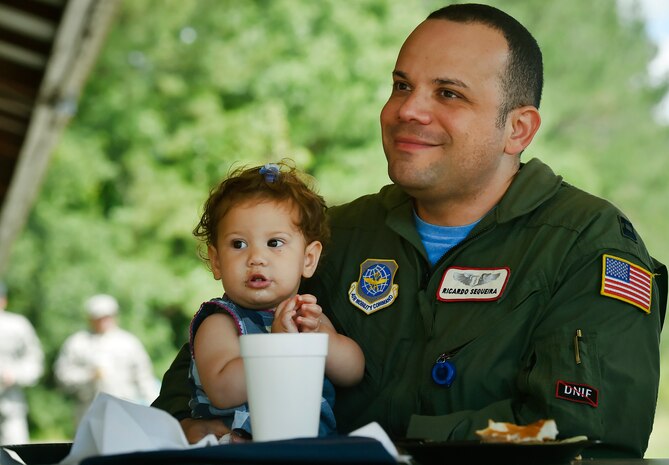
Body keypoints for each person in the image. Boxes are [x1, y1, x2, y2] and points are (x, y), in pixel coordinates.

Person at [151, 3, 667, 458]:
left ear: (518, 129)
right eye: (402, 85)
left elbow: (585, 435)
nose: (408, 110)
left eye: (448, 93)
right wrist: (195, 428)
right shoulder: (333, 234)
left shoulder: (586, 245)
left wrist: (393, 445)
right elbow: (192, 388)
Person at [186, 161, 363, 439]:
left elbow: (353, 371)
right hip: (243, 450)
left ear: (308, 259)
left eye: (274, 243)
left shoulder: (308, 316)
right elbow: (222, 390)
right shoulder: (220, 322)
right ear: (216, 260)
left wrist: (322, 339)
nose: (256, 257)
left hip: (313, 449)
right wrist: (278, 346)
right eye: (238, 244)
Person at [53, 294, 160, 421]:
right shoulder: (77, 343)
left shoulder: (129, 343)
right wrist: (89, 375)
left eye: (107, 316)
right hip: (88, 411)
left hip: (125, 409)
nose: (104, 321)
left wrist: (155, 409)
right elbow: (62, 375)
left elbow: (144, 378)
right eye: (99, 317)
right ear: (90, 318)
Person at [0, 282, 44, 445]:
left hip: (10, 401)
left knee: (15, 449)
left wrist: (16, 374)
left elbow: (34, 360)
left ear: (3, 300)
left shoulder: (17, 325)